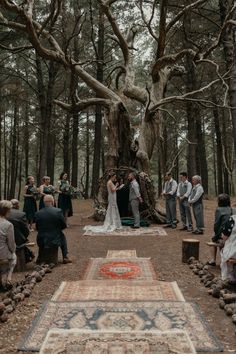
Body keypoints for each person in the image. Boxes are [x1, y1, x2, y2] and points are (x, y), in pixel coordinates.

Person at [35, 195, 72, 264]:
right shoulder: (58, 211)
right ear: (53, 201)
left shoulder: (38, 213)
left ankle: (40, 257)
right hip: (55, 238)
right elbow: (64, 225)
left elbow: (37, 228)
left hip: (42, 239)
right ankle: (65, 256)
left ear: (44, 202)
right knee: (62, 236)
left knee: (41, 235)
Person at [207, 194, 236, 266]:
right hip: (233, 235)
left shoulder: (219, 210)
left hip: (225, 236)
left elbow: (216, 225)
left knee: (214, 238)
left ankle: (213, 260)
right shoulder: (234, 209)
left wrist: (216, 236)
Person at [0, 200, 16, 291]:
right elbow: (11, 244)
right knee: (14, 257)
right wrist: (13, 250)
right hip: (3, 256)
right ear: (7, 211)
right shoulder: (8, 225)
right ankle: (8, 279)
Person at [220, 215, 236, 283]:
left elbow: (225, 236)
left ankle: (228, 276)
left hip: (233, 251)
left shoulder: (232, 220)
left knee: (225, 252)